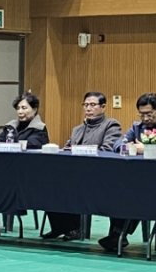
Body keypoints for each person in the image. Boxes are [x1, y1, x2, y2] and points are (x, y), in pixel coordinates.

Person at [101, 93, 156, 254]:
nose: (145, 118)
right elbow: (118, 144)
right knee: (118, 191)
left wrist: (145, 148)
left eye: (149, 114)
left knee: (136, 195)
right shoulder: (136, 127)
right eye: (142, 114)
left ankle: (119, 234)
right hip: (137, 178)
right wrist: (130, 147)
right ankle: (117, 234)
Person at [46, 91, 122, 240]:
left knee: (72, 186)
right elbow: (67, 148)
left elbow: (107, 149)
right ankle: (60, 227)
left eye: (92, 105)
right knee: (50, 185)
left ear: (103, 107)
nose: (88, 108)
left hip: (99, 175)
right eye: (85, 105)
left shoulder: (111, 125)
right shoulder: (77, 129)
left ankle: (75, 229)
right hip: (73, 173)